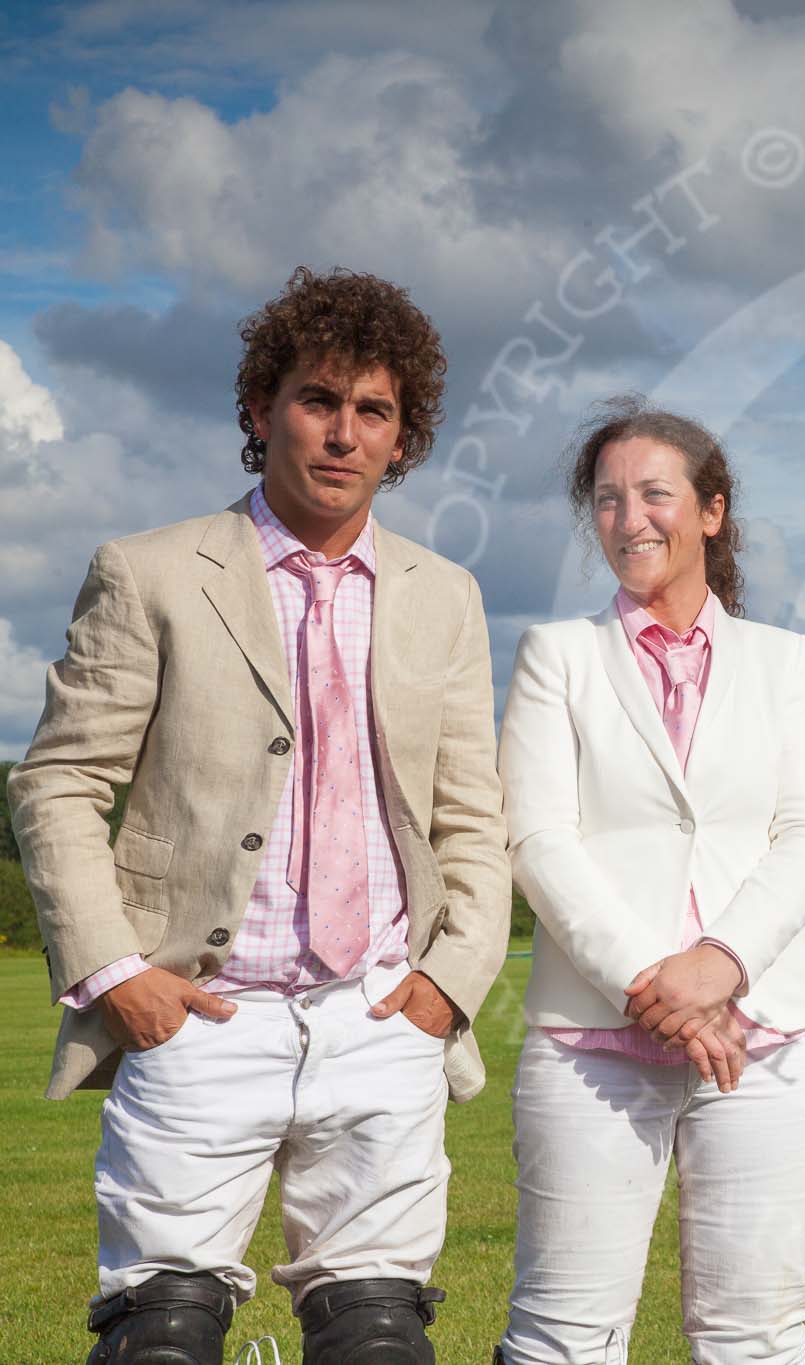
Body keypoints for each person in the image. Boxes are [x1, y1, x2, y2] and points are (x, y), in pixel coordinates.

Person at [7, 266, 509, 1364]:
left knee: (378, 1339)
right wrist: (118, 976)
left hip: (382, 1016)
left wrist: (447, 985)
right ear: (259, 411)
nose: (343, 433)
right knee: (161, 1339)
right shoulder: (147, 573)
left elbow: (473, 816)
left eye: (373, 411)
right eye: (317, 400)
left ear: (403, 436)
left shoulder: (446, 593)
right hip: (199, 1012)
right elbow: (56, 782)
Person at [494, 398, 805, 1363]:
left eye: (655, 493)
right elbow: (538, 840)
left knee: (757, 1335)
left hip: (765, 1037)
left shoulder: (784, 662)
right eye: (607, 500)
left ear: (713, 512)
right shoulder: (554, 657)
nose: (630, 517)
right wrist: (664, 990)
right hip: (592, 1044)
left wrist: (722, 963)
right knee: (565, 1332)